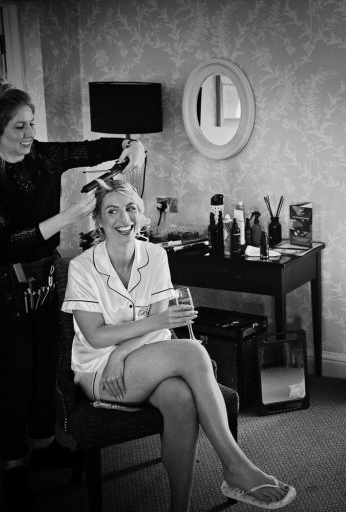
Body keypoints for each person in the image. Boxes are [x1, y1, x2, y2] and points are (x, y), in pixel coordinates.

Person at [0, 73, 146, 507]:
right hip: (1, 287)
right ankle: (13, 467)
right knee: (15, 380)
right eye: (19, 127)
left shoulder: (44, 156)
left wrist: (131, 146)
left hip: (44, 281)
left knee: (48, 370)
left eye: (32, 123)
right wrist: (68, 217)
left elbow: (95, 147)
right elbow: (7, 241)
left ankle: (43, 447)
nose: (30, 135)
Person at [62, 178, 296, 512]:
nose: (123, 218)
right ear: (98, 220)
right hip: (101, 371)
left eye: (130, 208)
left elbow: (160, 324)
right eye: (111, 211)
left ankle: (179, 507)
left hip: (140, 361)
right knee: (193, 350)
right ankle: (234, 465)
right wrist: (150, 329)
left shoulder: (155, 255)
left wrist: (125, 349)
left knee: (181, 400)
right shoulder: (83, 267)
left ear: (141, 215)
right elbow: (97, 336)